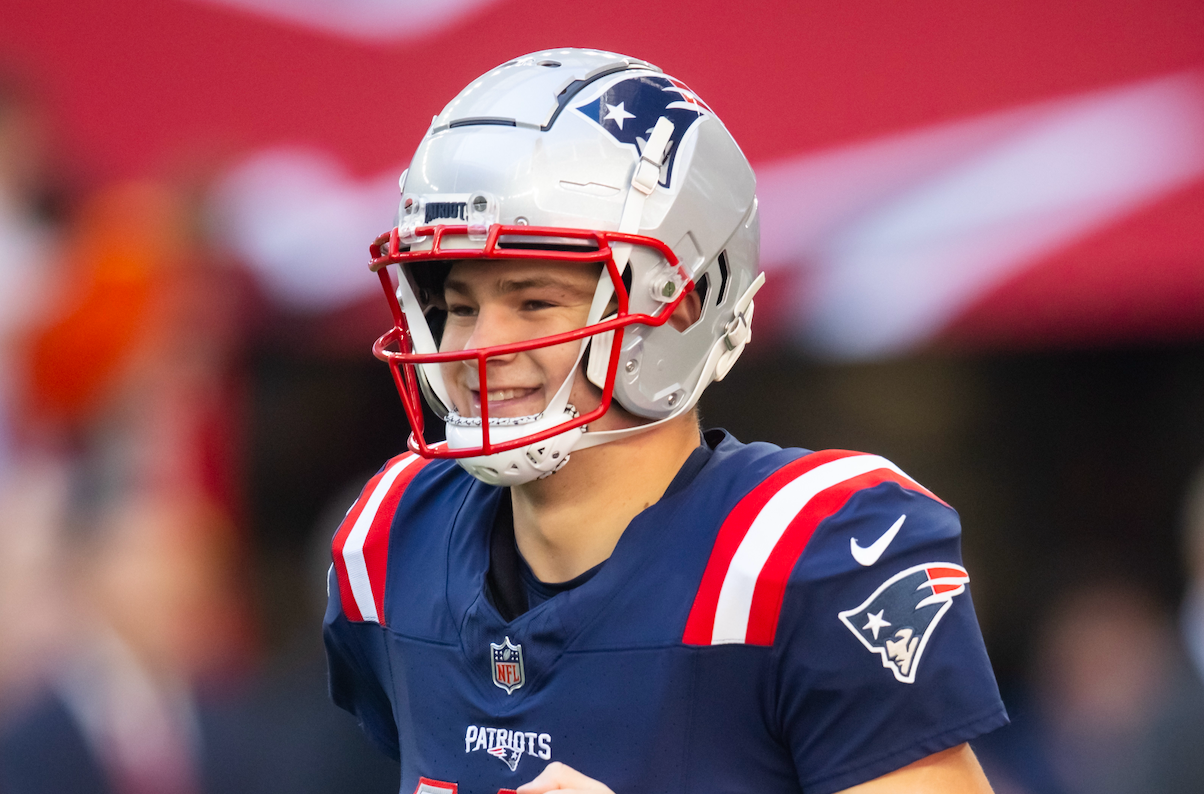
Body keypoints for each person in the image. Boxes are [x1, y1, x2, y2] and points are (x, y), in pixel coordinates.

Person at [323, 48, 1007, 794]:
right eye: (459, 306)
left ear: (677, 303)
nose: (479, 346)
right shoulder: (397, 537)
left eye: (534, 301)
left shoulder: (811, 553)